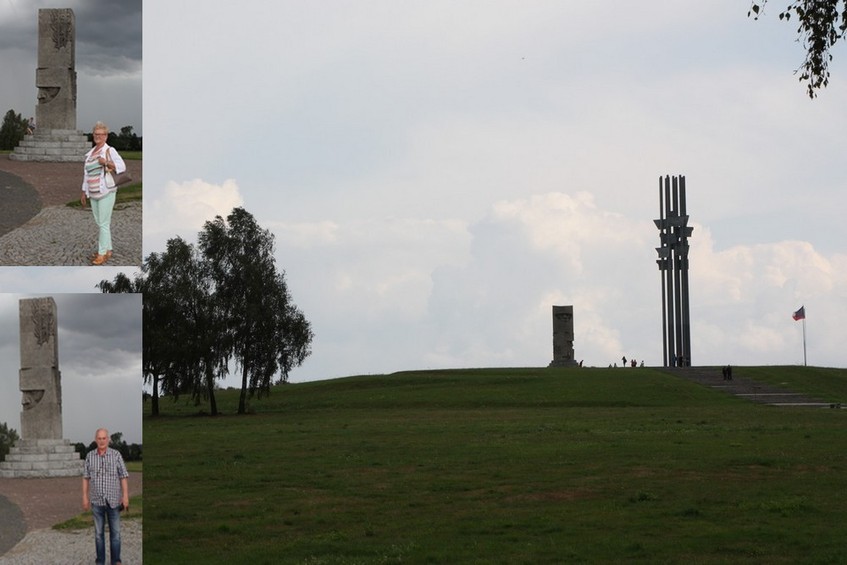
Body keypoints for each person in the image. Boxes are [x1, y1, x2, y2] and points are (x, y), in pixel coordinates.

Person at [80, 121, 126, 265]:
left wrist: (106, 162)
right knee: (101, 223)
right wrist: (83, 192)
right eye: (96, 134)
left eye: (101, 134)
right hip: (93, 193)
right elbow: (86, 174)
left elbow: (121, 166)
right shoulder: (90, 154)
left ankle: (101, 253)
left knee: (103, 224)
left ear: (106, 136)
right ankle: (108, 249)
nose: (98, 137)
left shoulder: (109, 151)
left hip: (106, 191)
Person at [83, 428, 130, 565]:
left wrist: (125, 496)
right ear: (95, 439)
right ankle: (100, 561)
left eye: (104, 438)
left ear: (108, 439)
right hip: (97, 501)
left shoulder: (116, 455)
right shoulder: (90, 456)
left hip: (114, 501)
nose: (102, 441)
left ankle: (116, 561)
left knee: (115, 534)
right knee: (98, 535)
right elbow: (86, 478)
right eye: (99, 438)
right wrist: (85, 497)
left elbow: (123, 476)